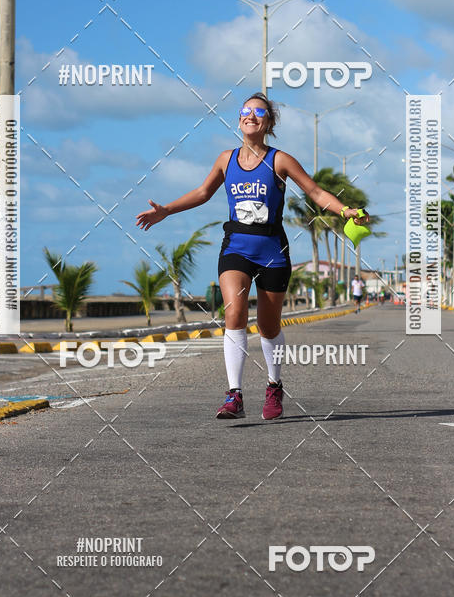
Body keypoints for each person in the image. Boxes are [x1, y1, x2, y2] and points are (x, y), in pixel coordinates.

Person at [136, 93, 370, 421]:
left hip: (273, 251)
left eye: (258, 111)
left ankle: (274, 385)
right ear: (239, 119)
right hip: (235, 248)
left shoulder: (280, 160)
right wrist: (167, 211)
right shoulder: (225, 159)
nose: (251, 115)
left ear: (268, 122)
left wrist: (347, 211)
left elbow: (315, 193)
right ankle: (234, 395)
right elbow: (203, 193)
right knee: (234, 312)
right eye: (245, 111)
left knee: (268, 326)